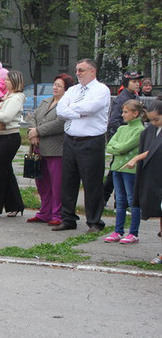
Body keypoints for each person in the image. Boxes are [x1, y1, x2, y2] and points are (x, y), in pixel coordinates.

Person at [54, 58, 111, 233]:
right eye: (77, 70)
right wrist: (77, 113)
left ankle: (94, 221)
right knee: (68, 181)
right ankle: (68, 218)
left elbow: (90, 107)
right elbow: (61, 109)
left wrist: (74, 109)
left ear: (93, 71)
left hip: (91, 141)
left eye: (82, 70)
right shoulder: (72, 90)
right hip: (71, 139)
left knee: (92, 183)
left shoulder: (101, 90)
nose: (78, 73)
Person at [25, 74, 73, 226]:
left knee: (56, 183)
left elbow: (60, 123)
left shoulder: (67, 104)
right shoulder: (46, 101)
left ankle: (57, 214)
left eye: (59, 86)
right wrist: (33, 133)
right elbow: (31, 117)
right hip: (38, 148)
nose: (55, 88)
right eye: (55, 84)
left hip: (56, 149)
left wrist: (38, 131)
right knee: (41, 182)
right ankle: (44, 212)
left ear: (66, 89)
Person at [103, 100, 146, 244]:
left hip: (131, 170)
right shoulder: (122, 129)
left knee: (132, 200)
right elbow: (109, 146)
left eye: (126, 112)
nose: (123, 115)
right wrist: (118, 147)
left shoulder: (140, 130)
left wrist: (118, 148)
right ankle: (118, 231)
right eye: (122, 112)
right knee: (120, 201)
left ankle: (133, 232)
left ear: (136, 113)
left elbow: (123, 148)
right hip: (116, 168)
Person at [0, 70, 26, 218]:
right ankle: (15, 205)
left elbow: (7, 117)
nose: (5, 82)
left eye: (8, 80)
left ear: (15, 82)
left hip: (9, 138)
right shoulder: (7, 96)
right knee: (6, 171)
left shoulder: (16, 98)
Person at [125, 100, 162, 263]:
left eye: (157, 120)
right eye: (151, 120)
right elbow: (151, 149)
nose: (153, 123)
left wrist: (137, 157)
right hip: (156, 179)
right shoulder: (149, 132)